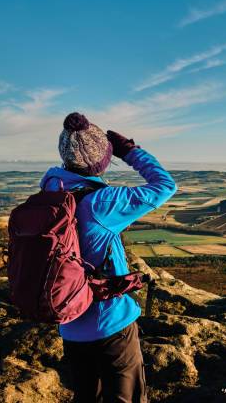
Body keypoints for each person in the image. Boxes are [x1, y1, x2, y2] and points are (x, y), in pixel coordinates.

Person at [40, 112, 176, 403]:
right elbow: (165, 186)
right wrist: (131, 152)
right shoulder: (103, 202)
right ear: (102, 159)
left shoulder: (49, 194)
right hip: (110, 323)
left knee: (87, 396)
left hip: (70, 323)